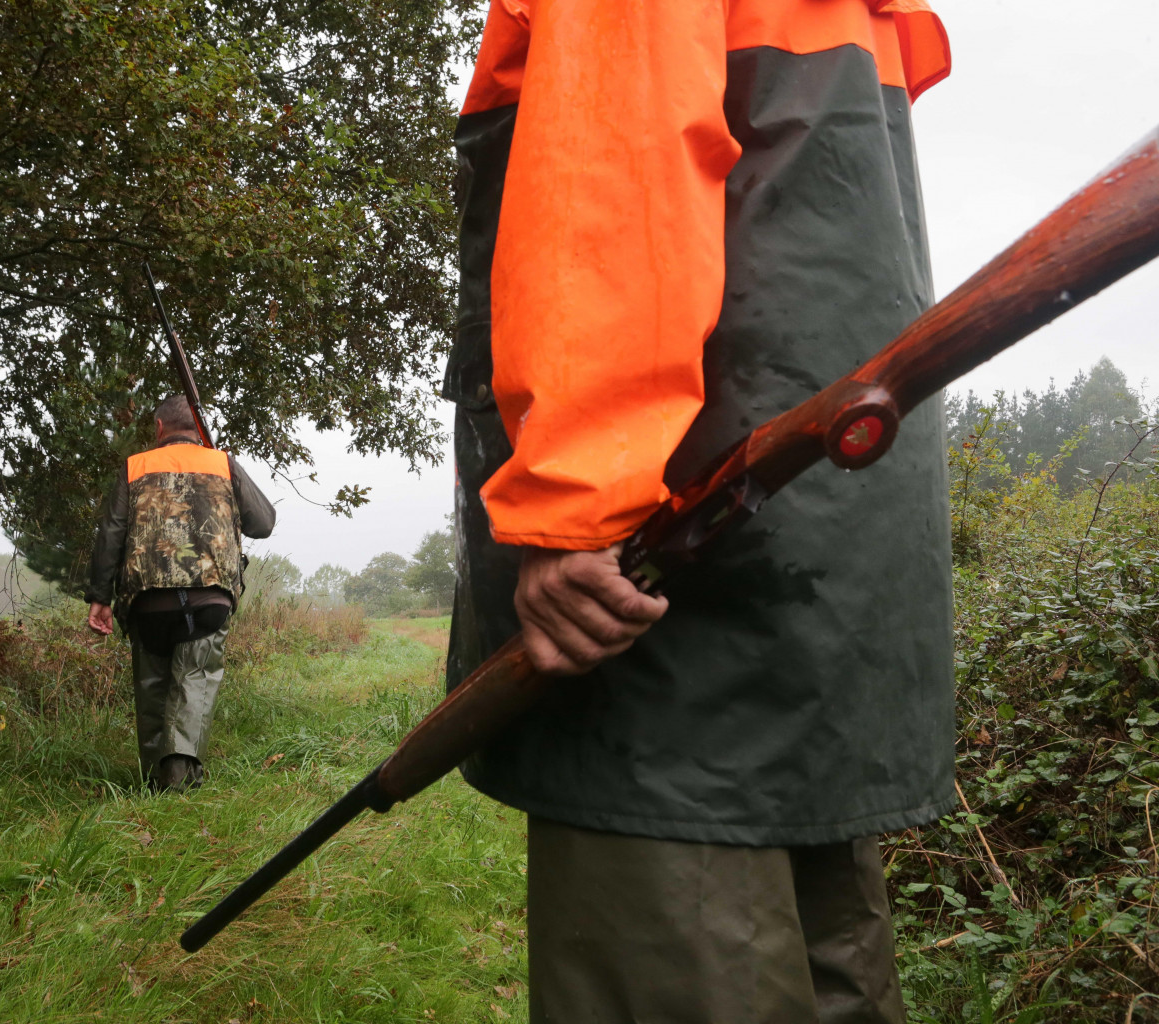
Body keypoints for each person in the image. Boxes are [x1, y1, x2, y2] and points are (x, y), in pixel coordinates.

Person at [447, 0, 954, 1020]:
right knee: (828, 965)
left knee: (673, 962)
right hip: (824, 564)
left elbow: (613, 177)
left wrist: (575, 503)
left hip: (668, 583)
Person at [86, 394, 275, 793]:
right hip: (209, 600)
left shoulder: (134, 467)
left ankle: (153, 781)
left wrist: (99, 598)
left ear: (159, 428)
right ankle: (179, 780)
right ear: (198, 427)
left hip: (147, 603)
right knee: (194, 681)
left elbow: (110, 536)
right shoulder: (222, 463)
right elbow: (263, 523)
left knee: (152, 687)